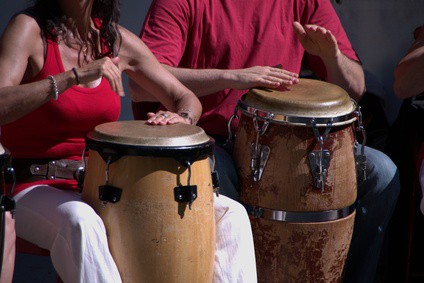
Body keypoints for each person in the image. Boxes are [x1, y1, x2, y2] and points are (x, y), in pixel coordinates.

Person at [130, 0, 400, 282]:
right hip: (215, 140)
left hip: (291, 141)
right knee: (215, 179)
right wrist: (232, 77)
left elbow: (356, 87)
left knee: (380, 173)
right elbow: (139, 85)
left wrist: (332, 58)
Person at [0, 0, 256, 282]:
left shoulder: (115, 40)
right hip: (29, 183)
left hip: (102, 186)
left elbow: (185, 98)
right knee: (81, 221)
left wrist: (181, 118)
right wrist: (70, 78)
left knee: (230, 215)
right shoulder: (29, 29)